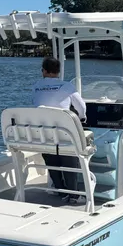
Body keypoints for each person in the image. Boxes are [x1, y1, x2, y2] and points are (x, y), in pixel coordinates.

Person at [32, 56, 87, 200]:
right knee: (70, 154)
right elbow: (81, 107)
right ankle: (74, 194)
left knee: (51, 155)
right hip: (64, 135)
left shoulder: (36, 86)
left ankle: (61, 190)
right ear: (58, 71)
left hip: (44, 135)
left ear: (43, 71)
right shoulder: (67, 86)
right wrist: (82, 118)